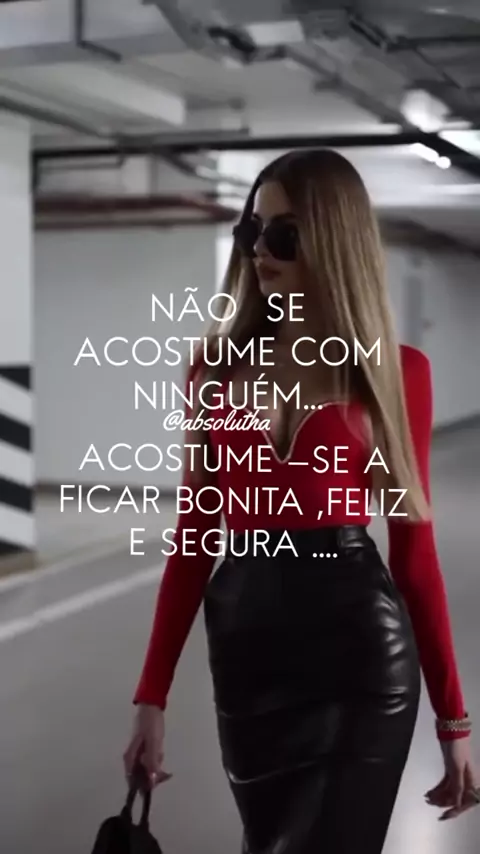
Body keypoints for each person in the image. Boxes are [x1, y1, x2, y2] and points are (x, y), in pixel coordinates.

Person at [123, 149, 479, 853]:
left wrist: (454, 720)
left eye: (284, 234)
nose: (260, 249)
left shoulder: (396, 374)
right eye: (252, 231)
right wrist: (150, 697)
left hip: (360, 659)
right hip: (247, 656)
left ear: (333, 241)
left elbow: (415, 557)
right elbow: (193, 539)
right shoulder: (214, 371)